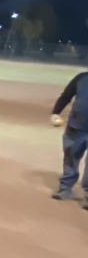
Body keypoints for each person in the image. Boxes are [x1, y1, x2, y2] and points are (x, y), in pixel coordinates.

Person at [50, 69, 88, 206]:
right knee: (70, 156)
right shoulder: (81, 78)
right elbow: (66, 96)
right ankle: (65, 188)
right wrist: (56, 112)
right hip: (76, 127)